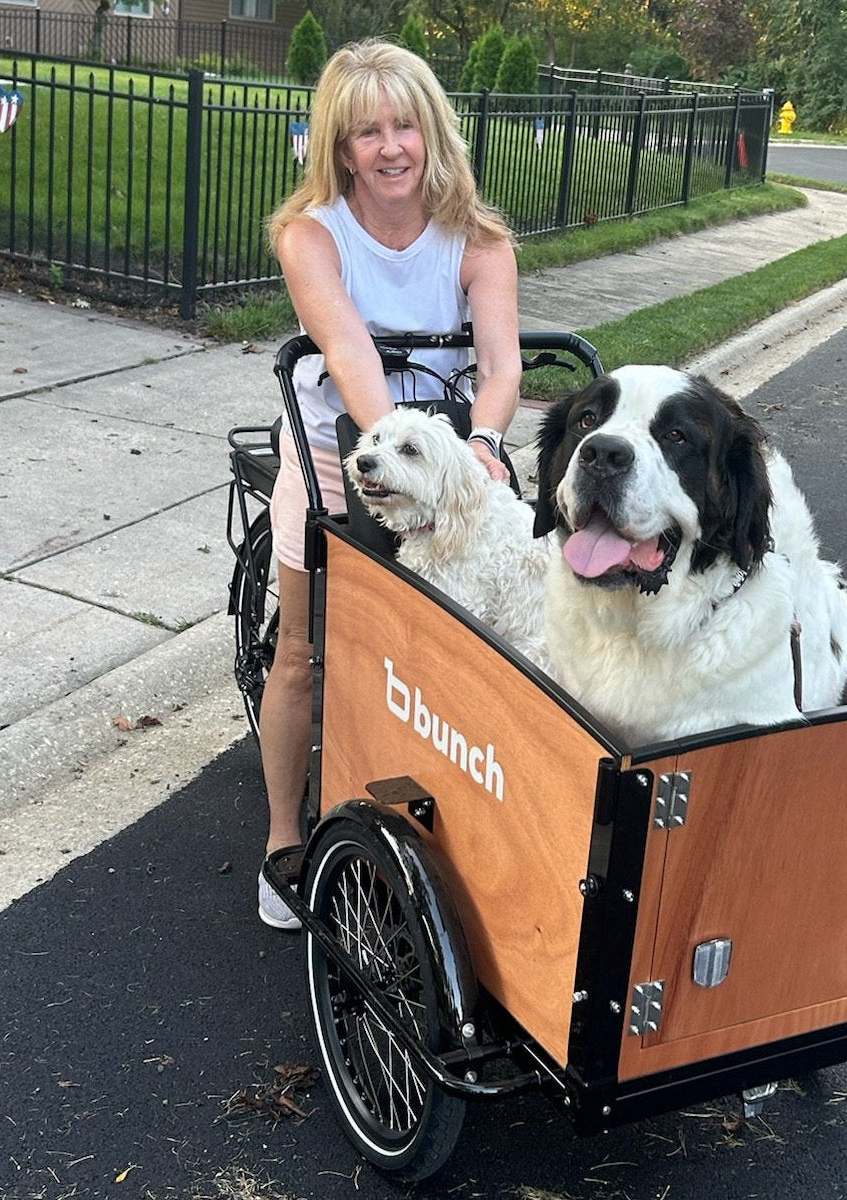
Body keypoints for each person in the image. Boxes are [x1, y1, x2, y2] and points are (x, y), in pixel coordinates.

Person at [256, 39, 522, 929]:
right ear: (340, 147)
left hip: (446, 463)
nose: (390, 146)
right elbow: (349, 352)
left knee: (459, 652)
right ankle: (282, 837)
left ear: (431, 131)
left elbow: (500, 366)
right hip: (344, 448)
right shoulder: (310, 236)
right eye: (367, 131)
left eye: (404, 124)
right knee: (305, 653)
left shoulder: (478, 240)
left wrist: (478, 444)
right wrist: (388, 451)